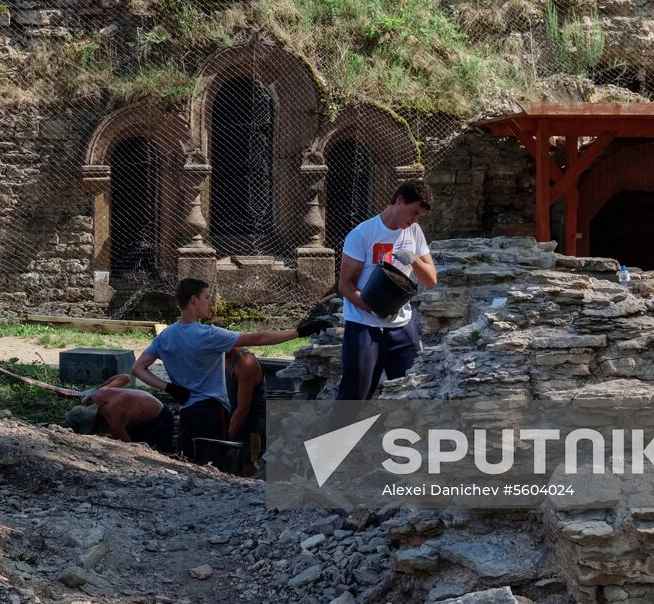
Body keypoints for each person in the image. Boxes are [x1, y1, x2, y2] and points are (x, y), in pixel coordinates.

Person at [132, 277, 332, 460]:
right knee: (213, 466)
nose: (209, 302)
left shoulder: (166, 336)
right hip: (211, 409)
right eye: (206, 297)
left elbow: (138, 368)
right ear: (194, 300)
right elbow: (258, 338)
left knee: (188, 462)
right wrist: (300, 331)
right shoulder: (207, 334)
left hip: (187, 413)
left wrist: (169, 388)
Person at [336, 179, 438, 401]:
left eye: (419, 216)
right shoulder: (362, 234)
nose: (414, 220)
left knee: (412, 393)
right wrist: (374, 309)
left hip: (401, 327)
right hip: (364, 325)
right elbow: (344, 285)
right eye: (413, 212)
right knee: (355, 398)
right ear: (399, 200)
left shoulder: (414, 232)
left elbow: (430, 280)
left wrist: (413, 260)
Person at [63, 373, 175, 452]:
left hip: (160, 418)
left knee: (157, 451)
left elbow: (131, 449)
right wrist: (96, 389)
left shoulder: (115, 422)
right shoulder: (98, 394)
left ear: (93, 423)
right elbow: (125, 377)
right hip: (142, 412)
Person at [224, 345, 267, 476]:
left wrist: (225, 439)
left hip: (251, 425)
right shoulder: (219, 357)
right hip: (230, 419)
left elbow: (243, 409)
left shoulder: (245, 363)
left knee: (248, 468)